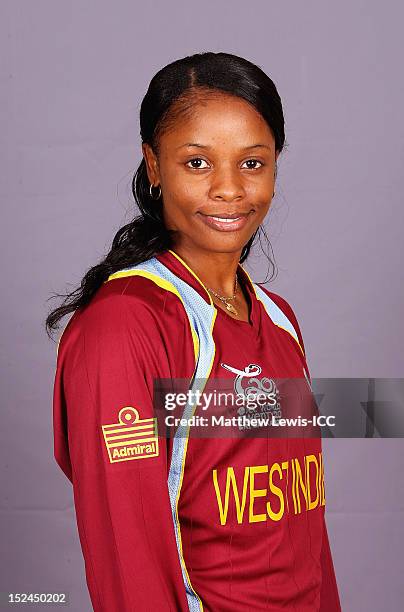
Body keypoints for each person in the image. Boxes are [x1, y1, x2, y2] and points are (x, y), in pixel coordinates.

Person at [47, 51, 341, 611]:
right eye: (198, 163)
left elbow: (305, 537)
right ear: (154, 166)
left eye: (252, 163)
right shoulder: (123, 325)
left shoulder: (279, 318)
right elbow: (125, 552)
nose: (230, 189)